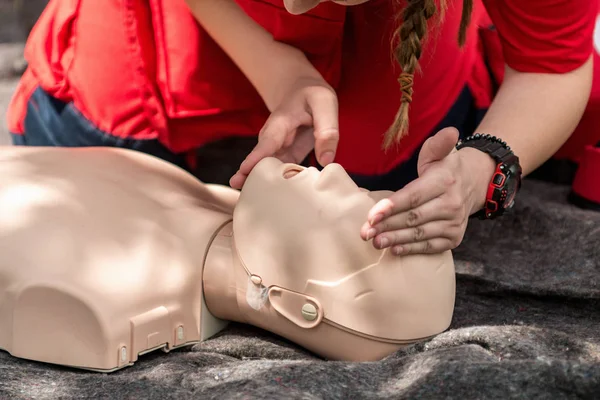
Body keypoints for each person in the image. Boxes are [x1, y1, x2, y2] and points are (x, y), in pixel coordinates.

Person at [6, 0, 596, 256]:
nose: (291, 8)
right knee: (83, 180)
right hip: (166, 39)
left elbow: (552, 64)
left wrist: (479, 170)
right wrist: (279, 71)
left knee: (386, 186)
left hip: (394, 48)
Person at [0, 145, 455, 371]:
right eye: (363, 190)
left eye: (348, 207)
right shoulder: (217, 204)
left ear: (299, 306)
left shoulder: (105, 298)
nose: (335, 172)